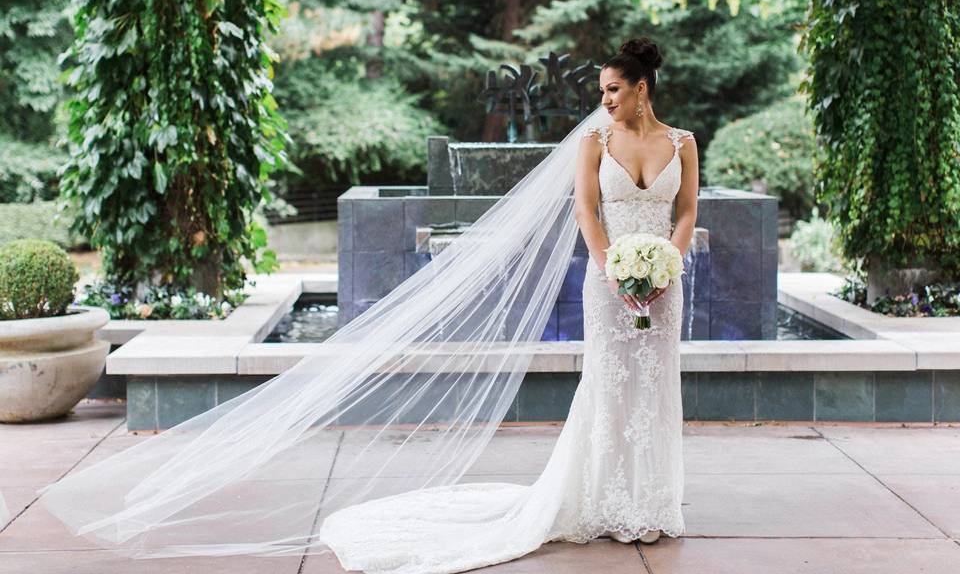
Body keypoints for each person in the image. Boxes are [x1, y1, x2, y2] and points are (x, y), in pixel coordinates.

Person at [37, 37, 697, 574]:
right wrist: (614, 268)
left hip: (666, 284)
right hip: (607, 284)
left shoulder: (684, 143)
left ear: (642, 87)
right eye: (602, 90)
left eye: (613, 89)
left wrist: (668, 261)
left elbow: (687, 210)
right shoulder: (594, 144)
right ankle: (604, 503)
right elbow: (586, 210)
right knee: (609, 389)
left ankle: (652, 502)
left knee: (656, 390)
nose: (603, 100)